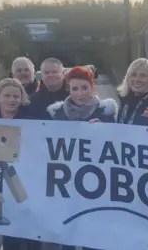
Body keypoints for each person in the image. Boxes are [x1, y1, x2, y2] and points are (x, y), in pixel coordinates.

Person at [47, 67, 116, 250]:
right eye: (75, 88)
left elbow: (120, 146)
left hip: (97, 182)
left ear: (92, 88)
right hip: (66, 181)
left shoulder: (106, 112)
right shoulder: (57, 113)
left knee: (93, 232)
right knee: (68, 229)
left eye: (84, 88)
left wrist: (107, 130)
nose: (80, 93)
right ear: (68, 89)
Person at [0, 78, 40, 250]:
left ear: (22, 98)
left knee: (31, 231)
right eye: (7, 95)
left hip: (26, 180)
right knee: (10, 232)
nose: (11, 100)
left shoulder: (33, 121)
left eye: (16, 96)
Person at [117, 58, 148, 126]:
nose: (137, 79)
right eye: (133, 75)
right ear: (127, 78)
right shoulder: (124, 100)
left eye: (143, 76)